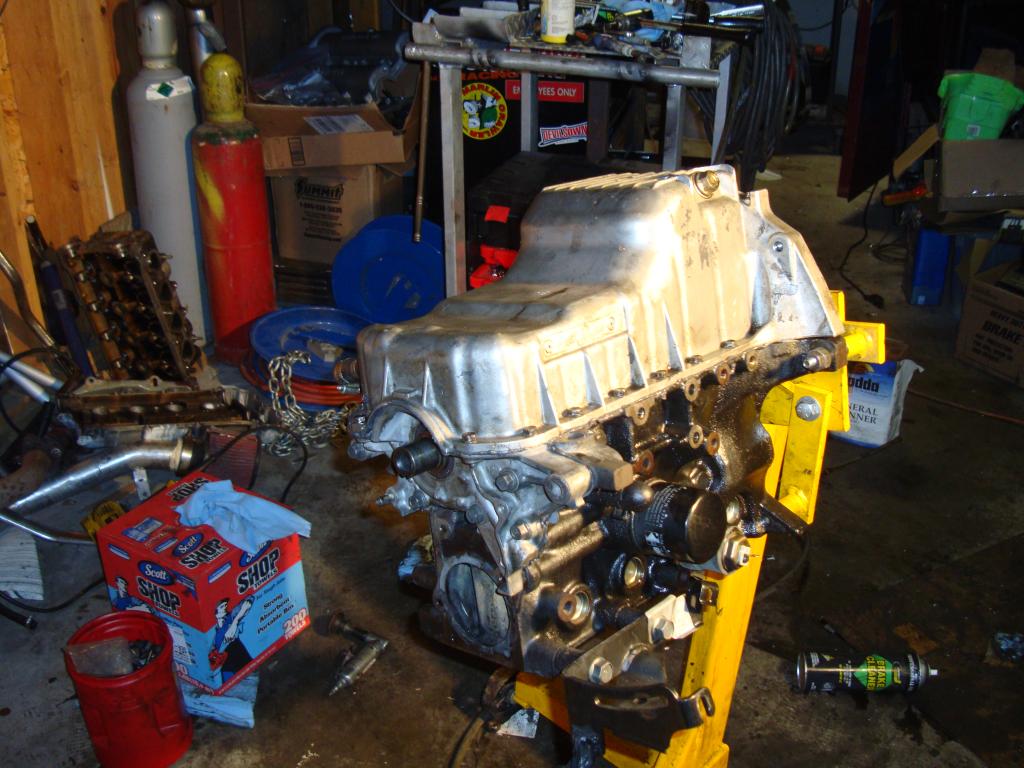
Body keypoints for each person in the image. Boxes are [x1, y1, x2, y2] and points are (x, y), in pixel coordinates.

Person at [208, 596, 255, 683]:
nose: (225, 608)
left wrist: (235, 623)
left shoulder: (231, 616)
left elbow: (250, 599)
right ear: (216, 612)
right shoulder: (214, 631)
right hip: (225, 663)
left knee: (250, 678)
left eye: (226, 605)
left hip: (238, 653)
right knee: (228, 683)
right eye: (222, 607)